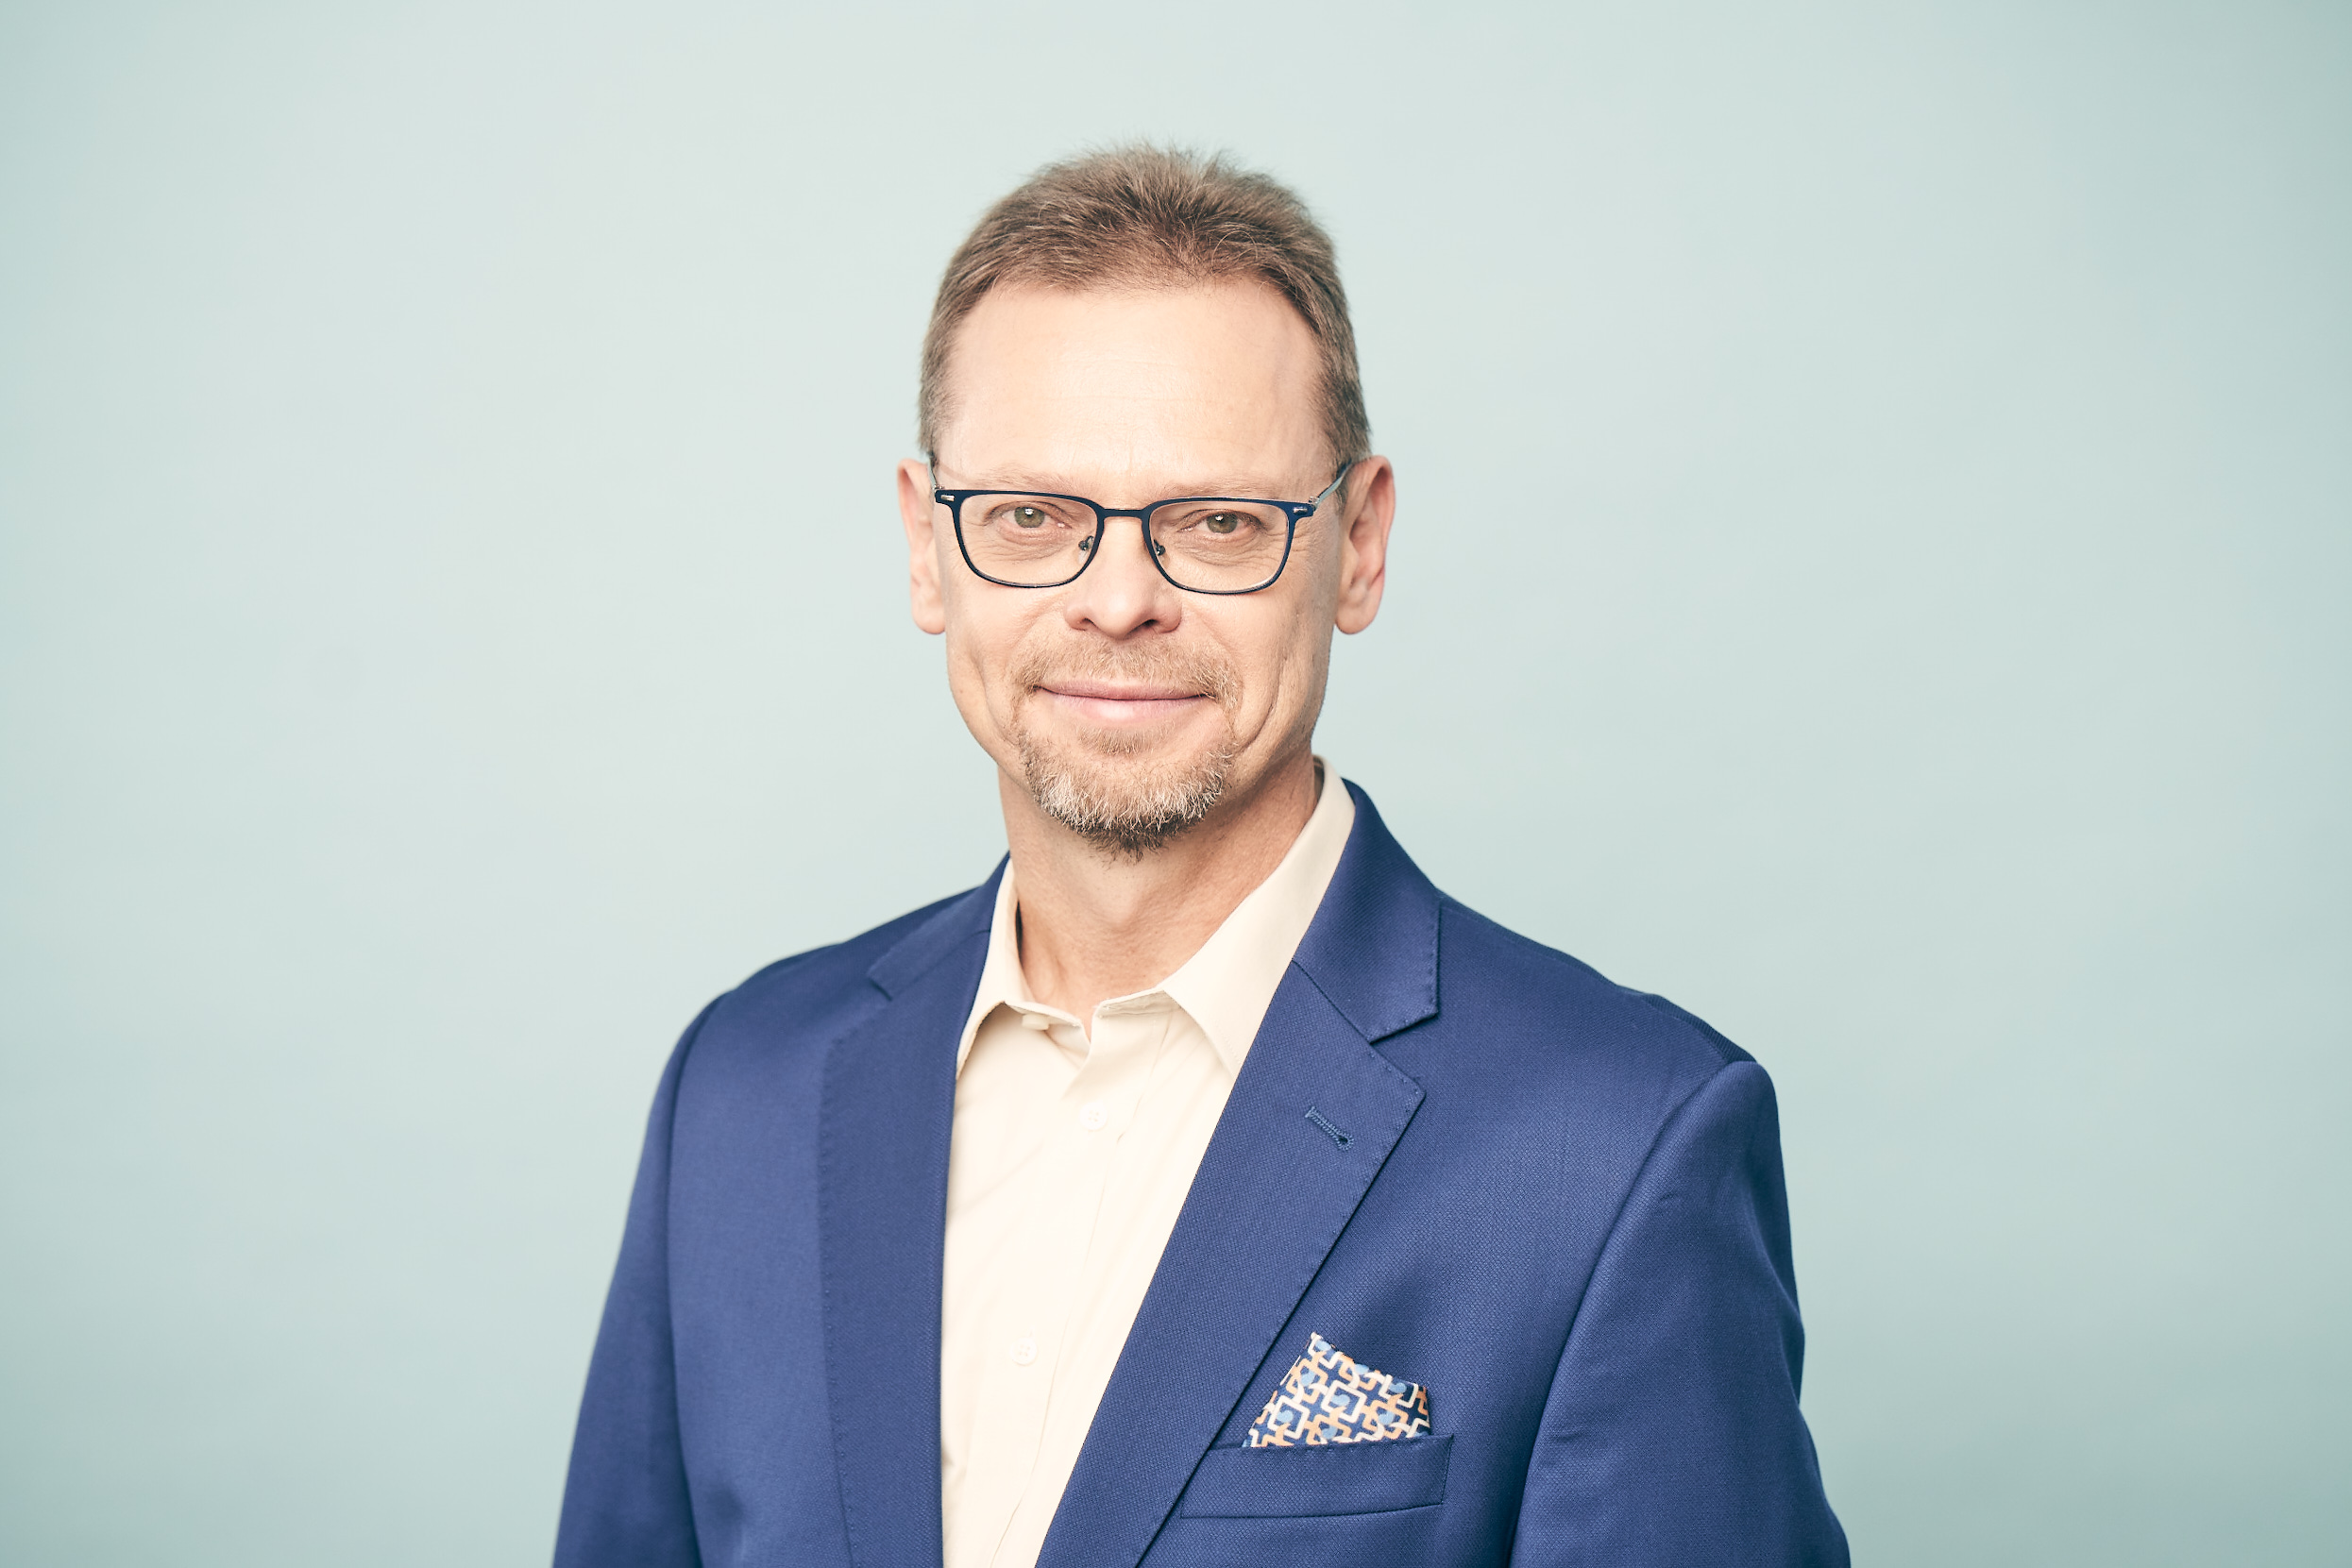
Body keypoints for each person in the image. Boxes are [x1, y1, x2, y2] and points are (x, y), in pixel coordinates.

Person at [553, 144, 1847, 1568]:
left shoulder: (1618, 1147)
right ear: (928, 547)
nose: (1118, 600)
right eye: (1032, 517)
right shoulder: (739, 1093)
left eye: (1218, 522)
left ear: (1360, 544)